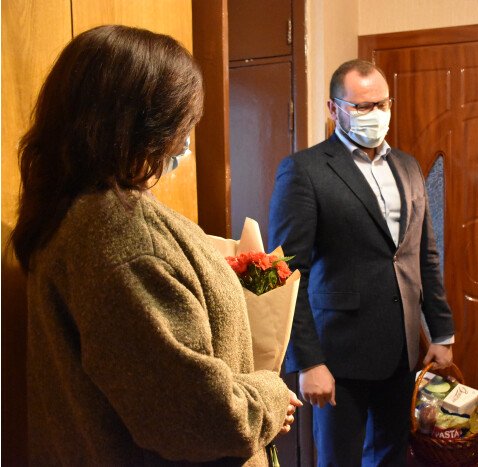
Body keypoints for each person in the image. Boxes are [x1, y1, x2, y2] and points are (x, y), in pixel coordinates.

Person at [10, 25, 301, 466]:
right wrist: (270, 395)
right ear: (140, 123)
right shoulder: (120, 236)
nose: (185, 141)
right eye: (183, 123)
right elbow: (199, 418)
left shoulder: (80, 212)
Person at [268, 59, 455, 466]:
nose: (375, 114)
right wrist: (308, 361)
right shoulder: (304, 170)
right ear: (333, 109)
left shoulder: (407, 166)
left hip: (401, 351)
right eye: (362, 106)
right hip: (337, 357)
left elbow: (423, 254)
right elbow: (286, 273)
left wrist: (441, 332)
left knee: (391, 458)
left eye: (382, 104)